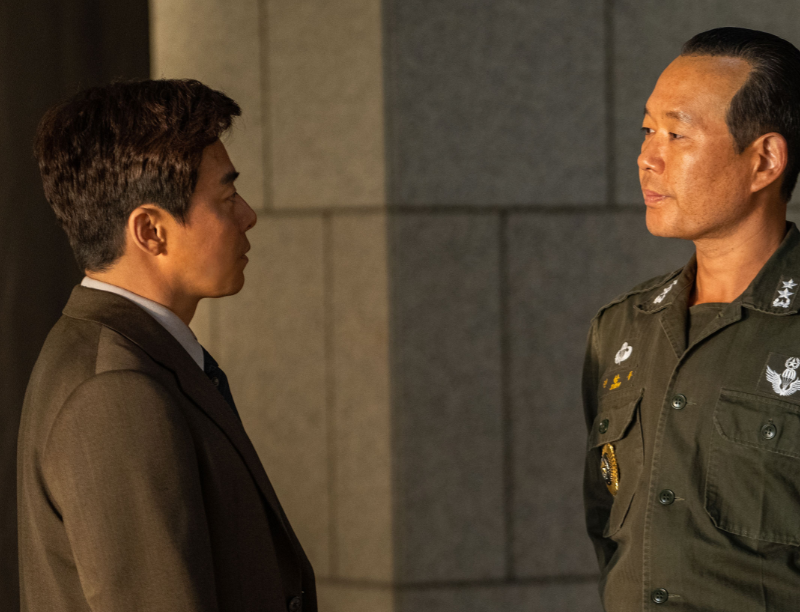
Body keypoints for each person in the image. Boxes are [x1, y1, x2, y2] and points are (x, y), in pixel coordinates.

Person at [17, 80, 316, 612]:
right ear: (151, 231)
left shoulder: (121, 356)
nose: (248, 215)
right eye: (227, 197)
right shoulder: (115, 394)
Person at [583, 27, 800, 611]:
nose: (647, 158)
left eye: (676, 134)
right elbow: (608, 530)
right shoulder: (622, 328)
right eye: (647, 131)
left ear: (764, 161)